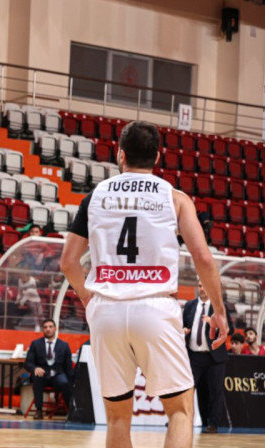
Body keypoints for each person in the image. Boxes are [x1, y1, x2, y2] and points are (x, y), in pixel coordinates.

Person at [60, 121, 228, 448]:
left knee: (118, 418)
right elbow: (204, 259)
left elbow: (68, 262)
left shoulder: (94, 197)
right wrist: (219, 311)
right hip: (154, 306)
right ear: (158, 156)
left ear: (120, 154)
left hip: (106, 309)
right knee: (180, 411)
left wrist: (88, 300)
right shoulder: (174, 197)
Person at [183, 282, 235, 433]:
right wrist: (184, 330)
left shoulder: (219, 307)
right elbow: (183, 325)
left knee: (215, 391)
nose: (202, 288)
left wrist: (215, 324)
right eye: (199, 285)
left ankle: (213, 425)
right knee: (187, 390)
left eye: (205, 285)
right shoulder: (189, 306)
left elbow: (230, 329)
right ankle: (183, 422)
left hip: (214, 357)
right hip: (193, 356)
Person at [23, 319, 74, 420]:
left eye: (50, 327)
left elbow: (68, 366)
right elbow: (27, 363)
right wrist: (35, 368)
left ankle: (70, 411)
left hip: (58, 374)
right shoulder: (36, 344)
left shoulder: (64, 345)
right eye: (45, 327)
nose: (48, 329)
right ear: (43, 330)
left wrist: (72, 382)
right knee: (36, 378)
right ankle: (39, 410)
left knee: (64, 382)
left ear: (55, 329)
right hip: (42, 374)